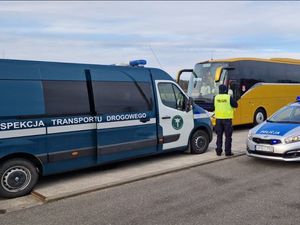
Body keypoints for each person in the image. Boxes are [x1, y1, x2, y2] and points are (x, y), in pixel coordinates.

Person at [213, 84, 238, 156]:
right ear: (225, 90)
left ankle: (218, 151)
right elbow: (236, 105)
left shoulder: (215, 97)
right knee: (228, 136)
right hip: (227, 120)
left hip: (218, 120)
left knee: (219, 136)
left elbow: (213, 106)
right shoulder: (228, 97)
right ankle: (227, 152)